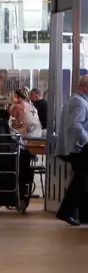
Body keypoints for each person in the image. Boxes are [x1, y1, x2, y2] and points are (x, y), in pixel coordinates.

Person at [57, 75, 88, 225]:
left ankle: (82, 214)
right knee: (80, 181)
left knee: (82, 181)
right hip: (79, 148)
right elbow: (76, 125)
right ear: (85, 87)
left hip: (74, 148)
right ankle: (66, 212)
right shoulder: (80, 103)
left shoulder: (74, 100)